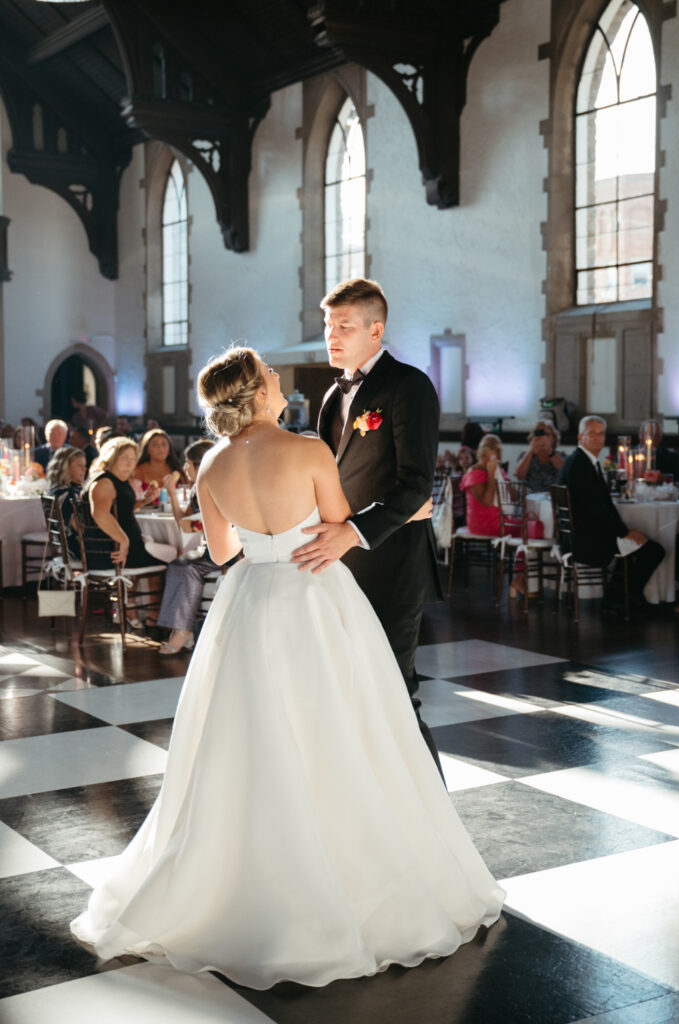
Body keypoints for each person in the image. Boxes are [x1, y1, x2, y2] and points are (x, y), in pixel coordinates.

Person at [70, 345, 504, 987]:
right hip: (314, 594)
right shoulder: (308, 451)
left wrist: (262, 539)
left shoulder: (212, 464)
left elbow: (221, 552)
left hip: (249, 602)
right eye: (270, 376)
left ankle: (243, 877)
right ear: (255, 392)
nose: (279, 381)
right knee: (340, 725)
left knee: (251, 738)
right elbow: (334, 527)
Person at [293, 278, 442, 776]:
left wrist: (354, 531)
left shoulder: (409, 386)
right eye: (328, 325)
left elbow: (416, 485)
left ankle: (433, 821)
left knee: (395, 694)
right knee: (346, 694)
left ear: (376, 330)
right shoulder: (331, 396)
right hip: (338, 566)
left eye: (344, 326)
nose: (331, 336)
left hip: (393, 565)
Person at [558, 415, 665, 612]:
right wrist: (624, 532)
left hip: (584, 534)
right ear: (581, 437)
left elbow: (603, 506)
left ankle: (618, 596)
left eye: (602, 434)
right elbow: (595, 509)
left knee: (639, 546)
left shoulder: (585, 461)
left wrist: (624, 531)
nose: (599, 438)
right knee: (654, 551)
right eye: (593, 434)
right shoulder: (580, 466)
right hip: (585, 540)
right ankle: (625, 596)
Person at [155, 440, 239, 655]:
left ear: (199, 464)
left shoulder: (221, 487)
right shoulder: (196, 489)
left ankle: (182, 631)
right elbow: (184, 524)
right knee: (176, 565)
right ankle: (182, 628)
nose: (184, 468)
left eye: (188, 463)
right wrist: (172, 494)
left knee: (190, 569)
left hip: (229, 552)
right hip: (208, 550)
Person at [82, 437, 172, 571]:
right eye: (125, 458)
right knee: (173, 561)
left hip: (125, 547)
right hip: (112, 551)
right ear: (112, 458)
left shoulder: (118, 480)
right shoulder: (104, 482)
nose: (130, 464)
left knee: (170, 556)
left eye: (133, 459)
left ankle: (131, 591)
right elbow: (100, 514)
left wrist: (144, 501)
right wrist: (124, 541)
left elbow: (120, 508)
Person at [460, 434, 507, 536]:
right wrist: (491, 475)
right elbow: (487, 502)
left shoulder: (498, 470)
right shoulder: (474, 474)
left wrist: (501, 477)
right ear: (482, 455)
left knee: (531, 525)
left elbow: (514, 497)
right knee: (528, 529)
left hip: (501, 518)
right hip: (483, 524)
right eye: (487, 456)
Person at [46, 446, 87, 557]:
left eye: (85, 466)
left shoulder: (55, 489)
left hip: (64, 549)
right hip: (78, 551)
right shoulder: (67, 494)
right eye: (79, 466)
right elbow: (80, 529)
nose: (84, 470)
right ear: (66, 467)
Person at [514, 420, 565, 493]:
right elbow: (519, 476)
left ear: (554, 438)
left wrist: (550, 451)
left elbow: (566, 472)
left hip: (554, 499)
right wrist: (530, 452)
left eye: (547, 435)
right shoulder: (524, 455)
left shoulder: (561, 455)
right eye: (539, 434)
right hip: (530, 498)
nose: (543, 438)